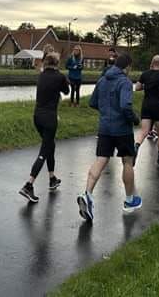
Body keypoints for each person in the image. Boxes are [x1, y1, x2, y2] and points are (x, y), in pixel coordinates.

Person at [77, 54, 141, 222]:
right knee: (127, 161)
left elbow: (92, 102)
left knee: (101, 159)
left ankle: (88, 195)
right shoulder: (125, 82)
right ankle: (129, 200)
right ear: (127, 67)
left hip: (105, 128)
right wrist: (134, 119)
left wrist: (106, 111)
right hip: (122, 129)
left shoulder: (102, 80)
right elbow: (125, 105)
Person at [19, 52, 69, 203]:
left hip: (37, 116)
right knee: (45, 150)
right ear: (57, 63)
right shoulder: (60, 77)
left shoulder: (41, 75)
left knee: (50, 145)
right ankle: (29, 184)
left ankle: (52, 178)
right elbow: (66, 91)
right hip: (49, 118)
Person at [134, 55, 159, 165]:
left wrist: (148, 86)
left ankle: (136, 146)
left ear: (152, 62)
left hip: (146, 105)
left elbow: (137, 87)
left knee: (144, 131)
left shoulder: (145, 74)